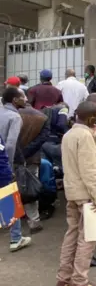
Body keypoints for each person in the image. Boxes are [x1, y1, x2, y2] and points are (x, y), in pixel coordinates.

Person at [56, 101, 96, 286]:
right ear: (92, 118)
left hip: (72, 191)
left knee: (72, 234)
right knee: (87, 239)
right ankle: (79, 280)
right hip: (86, 194)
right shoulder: (84, 137)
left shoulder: (69, 134)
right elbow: (89, 169)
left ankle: (64, 277)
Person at [0, 87, 31, 252]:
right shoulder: (14, 117)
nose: (25, 99)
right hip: (3, 162)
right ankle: (16, 238)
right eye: (22, 97)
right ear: (14, 100)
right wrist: (8, 165)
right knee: (11, 199)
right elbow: (10, 144)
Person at [17, 99, 51, 233]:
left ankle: (12, 220)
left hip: (11, 156)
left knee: (10, 189)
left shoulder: (11, 115)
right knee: (30, 188)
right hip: (32, 158)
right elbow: (43, 138)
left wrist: (18, 153)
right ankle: (34, 221)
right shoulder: (42, 117)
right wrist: (27, 152)